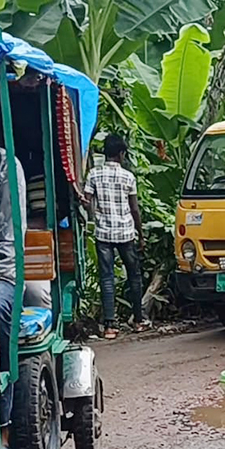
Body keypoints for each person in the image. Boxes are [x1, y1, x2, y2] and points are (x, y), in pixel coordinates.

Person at [84, 134, 148, 339]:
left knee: (107, 278)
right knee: (134, 275)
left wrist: (93, 213)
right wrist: (140, 234)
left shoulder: (94, 174)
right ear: (121, 154)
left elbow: (87, 202)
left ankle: (110, 325)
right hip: (126, 232)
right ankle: (138, 320)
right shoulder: (128, 177)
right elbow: (135, 209)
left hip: (104, 233)